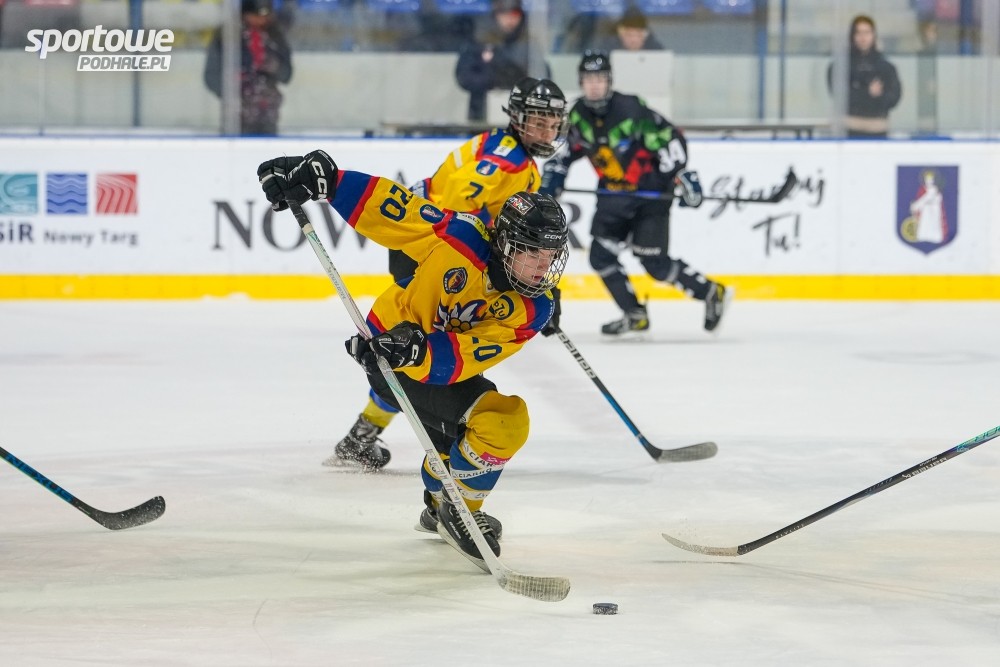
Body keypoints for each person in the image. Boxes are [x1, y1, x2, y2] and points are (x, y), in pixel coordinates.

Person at [256, 150, 569, 568]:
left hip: (435, 367)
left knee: (482, 435)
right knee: (501, 423)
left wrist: (419, 349)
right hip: (386, 356)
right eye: (533, 253)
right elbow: (394, 208)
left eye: (551, 255)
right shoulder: (460, 237)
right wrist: (329, 180)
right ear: (507, 244)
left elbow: (468, 355)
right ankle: (460, 513)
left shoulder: (535, 307)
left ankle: (440, 504)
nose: (543, 267)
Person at [328, 77, 569, 472]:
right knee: (432, 349)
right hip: (438, 249)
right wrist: (482, 253)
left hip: (439, 246)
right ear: (517, 118)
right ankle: (442, 450)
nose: (547, 132)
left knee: (420, 346)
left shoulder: (504, 147)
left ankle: (363, 435)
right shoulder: (510, 161)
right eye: (538, 122)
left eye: (553, 123)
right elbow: (459, 202)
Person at [541, 50, 730, 337]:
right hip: (613, 197)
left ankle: (710, 292)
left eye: (599, 78)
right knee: (601, 256)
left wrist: (681, 175)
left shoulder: (631, 110)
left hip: (649, 196)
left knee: (654, 263)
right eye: (588, 79)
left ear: (609, 80)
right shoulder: (577, 115)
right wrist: (551, 183)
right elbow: (562, 155)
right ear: (581, 82)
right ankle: (634, 314)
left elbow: (668, 140)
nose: (594, 85)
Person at [204, 0, 293, 136]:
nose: (261, 20)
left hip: (267, 114)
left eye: (265, 16)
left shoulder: (275, 36)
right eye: (256, 16)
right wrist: (233, 93)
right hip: (236, 116)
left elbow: (287, 74)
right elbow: (211, 76)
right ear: (244, 14)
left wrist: (274, 66)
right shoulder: (227, 35)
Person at [455, 0, 549, 121]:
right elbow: (464, 76)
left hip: (520, 117)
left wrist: (517, 80)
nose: (509, 19)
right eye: (504, 14)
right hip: (483, 115)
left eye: (514, 14)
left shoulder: (529, 46)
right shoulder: (479, 41)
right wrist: (491, 78)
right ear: (495, 15)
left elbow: (544, 78)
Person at [826, 14, 901, 139]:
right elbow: (840, 96)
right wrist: (867, 93)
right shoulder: (840, 67)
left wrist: (878, 97)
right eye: (859, 33)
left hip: (878, 131)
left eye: (867, 32)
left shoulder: (886, 67)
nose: (863, 37)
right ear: (852, 36)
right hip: (849, 131)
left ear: (874, 35)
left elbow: (894, 97)